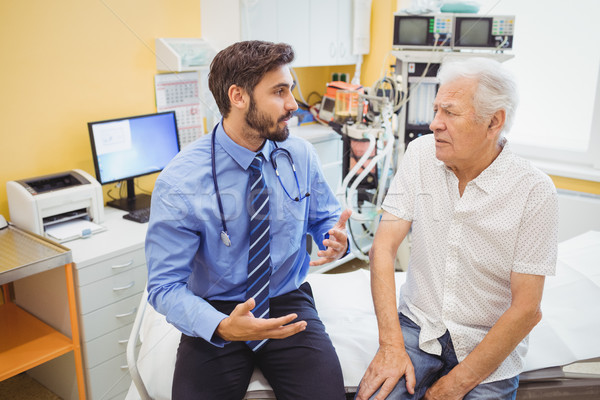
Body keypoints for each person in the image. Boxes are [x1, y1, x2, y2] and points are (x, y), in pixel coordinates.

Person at [146, 40, 350, 400]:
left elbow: (323, 217)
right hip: (215, 307)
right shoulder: (180, 183)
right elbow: (164, 287)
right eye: (280, 92)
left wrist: (331, 236)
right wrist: (222, 326)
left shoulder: (299, 155)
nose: (293, 105)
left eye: (291, 90)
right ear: (238, 97)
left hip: (286, 298)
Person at [356, 57, 559, 400]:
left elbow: (527, 308)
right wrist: (391, 345)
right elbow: (383, 247)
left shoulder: (534, 191)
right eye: (436, 110)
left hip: (487, 342)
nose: (434, 124)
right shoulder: (421, 155)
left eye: (450, 113)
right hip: (419, 327)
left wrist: (451, 388)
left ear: (494, 122)